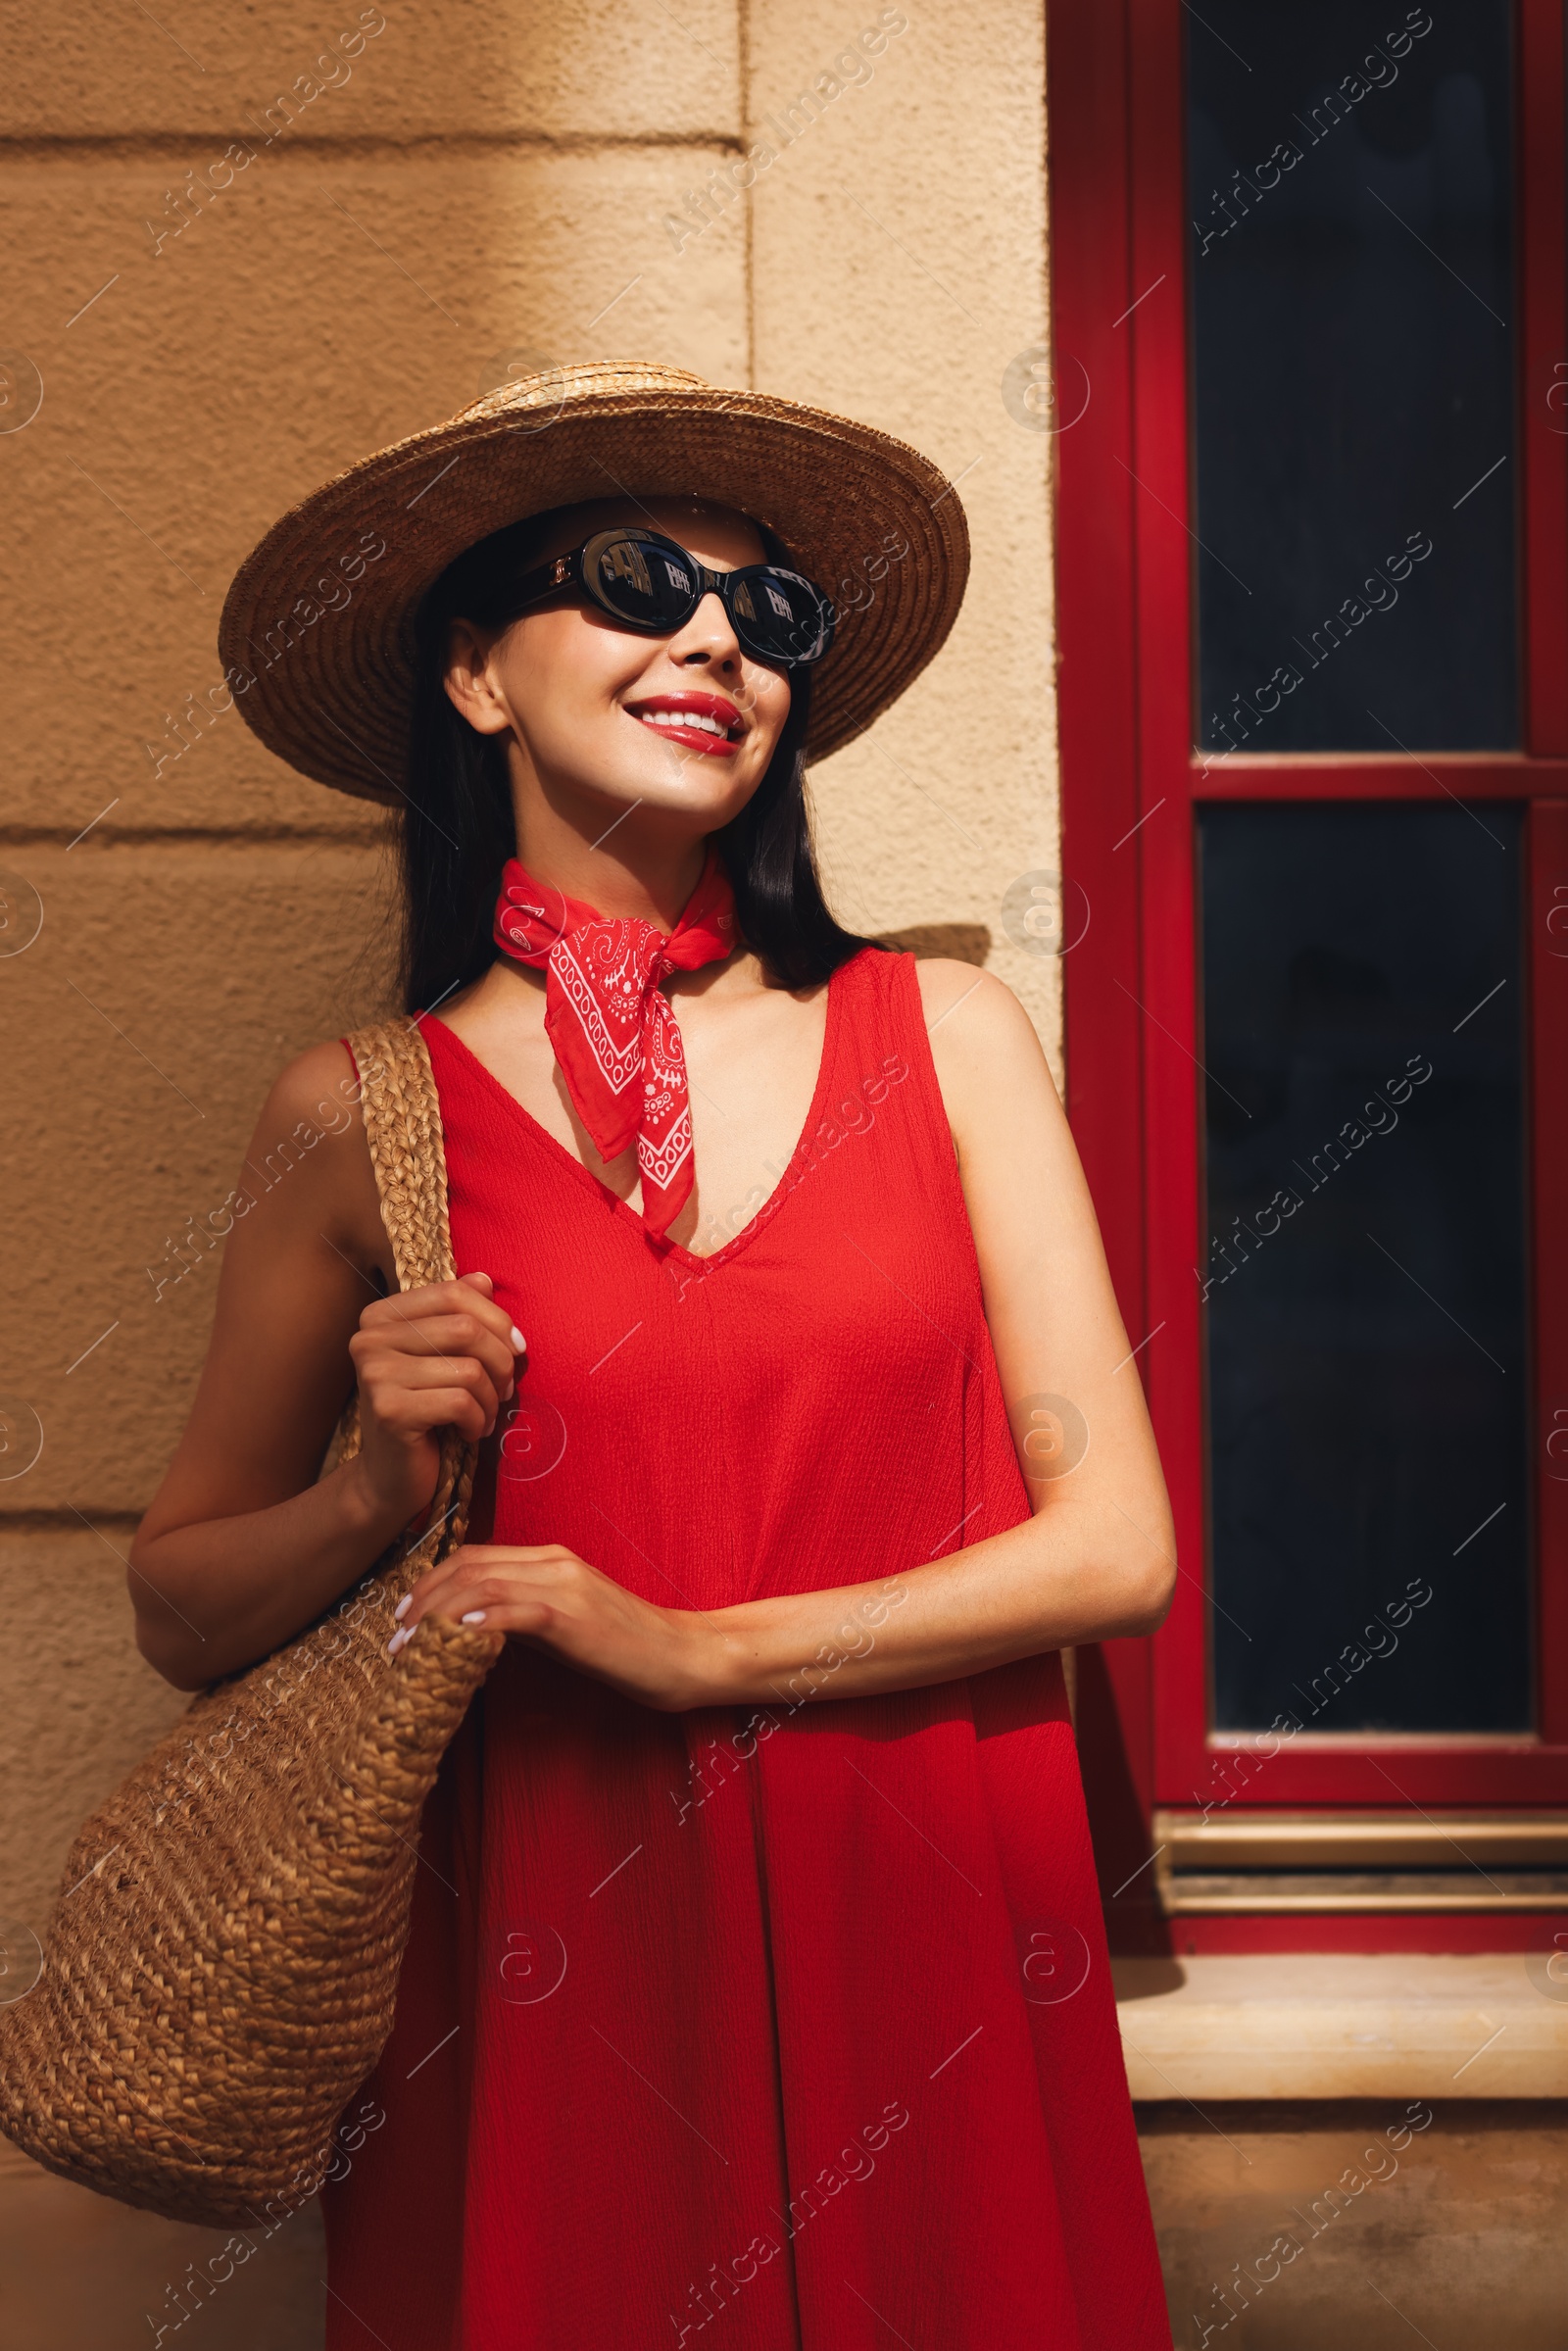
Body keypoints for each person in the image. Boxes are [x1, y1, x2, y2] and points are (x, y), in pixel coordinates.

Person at [129, 363, 1177, 2348]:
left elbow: (1112, 1547)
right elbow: (181, 1603)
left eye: (767, 614)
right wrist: (372, 1487)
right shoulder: (357, 1115)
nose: (714, 638)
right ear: (472, 676)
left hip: (927, 1908)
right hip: (546, 1945)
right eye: (634, 583)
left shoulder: (943, 1038)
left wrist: (700, 1648)